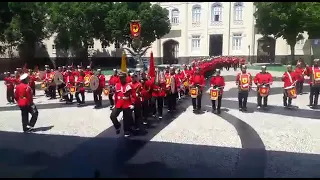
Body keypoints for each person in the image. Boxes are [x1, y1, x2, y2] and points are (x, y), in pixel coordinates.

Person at [110, 73, 136, 137]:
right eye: (120, 77)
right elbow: (116, 95)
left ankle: (126, 131)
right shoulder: (117, 85)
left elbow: (133, 95)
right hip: (119, 103)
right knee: (112, 116)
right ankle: (117, 125)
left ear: (125, 78)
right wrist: (114, 104)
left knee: (126, 118)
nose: (121, 79)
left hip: (127, 104)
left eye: (122, 77)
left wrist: (132, 104)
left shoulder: (129, 85)